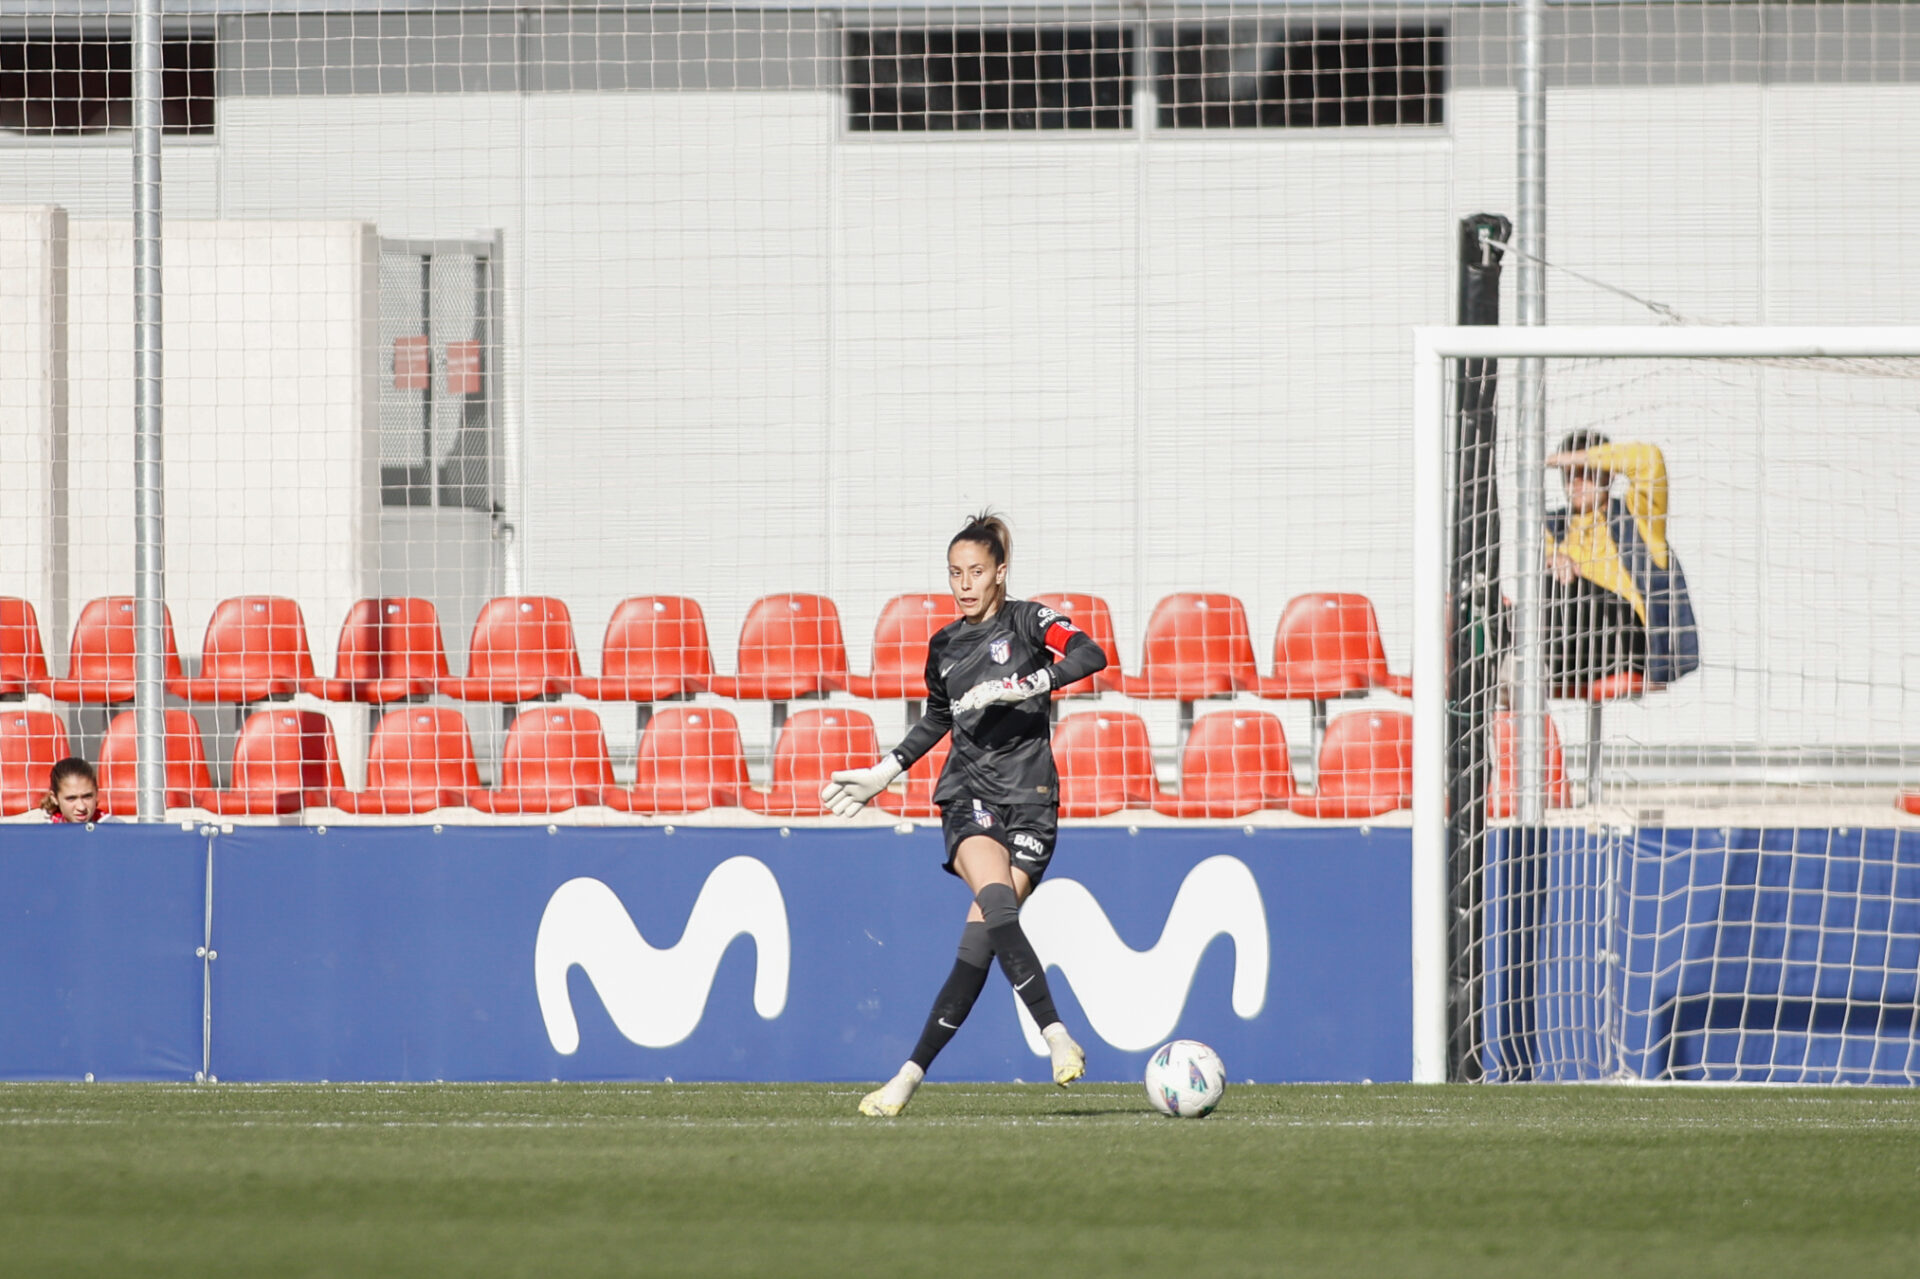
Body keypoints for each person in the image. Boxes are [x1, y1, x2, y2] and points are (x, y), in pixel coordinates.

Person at [823, 511, 1110, 1117]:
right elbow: (937, 717)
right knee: (999, 904)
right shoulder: (945, 646)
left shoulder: (1030, 621)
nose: (964, 584)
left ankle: (905, 1079)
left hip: (1032, 803)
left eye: (976, 571)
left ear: (1000, 572)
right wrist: (885, 771)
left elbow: (1092, 654)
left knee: (980, 947)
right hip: (969, 795)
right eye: (955, 573)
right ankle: (1055, 1034)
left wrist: (1030, 683)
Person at [1540, 430, 1700, 689]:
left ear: (1609, 473)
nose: (1578, 481)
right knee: (1540, 587)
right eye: (1570, 474)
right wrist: (1553, 558)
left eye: (1587, 472)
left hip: (1624, 640)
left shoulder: (1637, 517)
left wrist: (1572, 458)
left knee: (1581, 593)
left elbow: (1649, 459)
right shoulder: (1552, 526)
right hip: (1570, 642)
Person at [40, 757, 99, 824]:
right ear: (54, 798)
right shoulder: (34, 827)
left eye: (87, 796)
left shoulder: (110, 826)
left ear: (96, 793)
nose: (81, 807)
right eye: (71, 798)